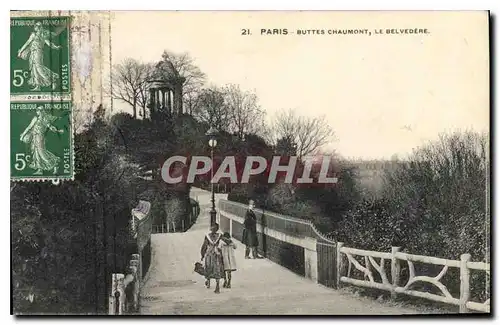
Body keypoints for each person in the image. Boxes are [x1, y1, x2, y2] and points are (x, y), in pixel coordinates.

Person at [17, 22, 61, 91]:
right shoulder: (34, 35)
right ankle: (38, 86)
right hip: (33, 53)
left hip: (38, 52)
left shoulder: (42, 35)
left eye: (36, 26)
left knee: (39, 68)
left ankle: (52, 81)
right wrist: (21, 51)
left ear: (39, 27)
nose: (35, 27)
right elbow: (27, 43)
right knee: (34, 69)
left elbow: (49, 43)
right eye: (35, 26)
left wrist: (56, 47)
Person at [20, 107, 64, 175]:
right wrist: (23, 135)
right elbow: (29, 127)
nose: (37, 112)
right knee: (36, 153)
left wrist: (57, 130)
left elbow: (50, 127)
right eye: (37, 111)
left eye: (39, 111)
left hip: (40, 137)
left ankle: (55, 163)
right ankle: (40, 170)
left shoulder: (45, 119)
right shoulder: (35, 119)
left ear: (42, 111)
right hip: (34, 137)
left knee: (41, 152)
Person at [200, 223, 224, 293]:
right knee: (217, 269)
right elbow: (227, 241)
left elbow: (204, 246)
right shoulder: (219, 236)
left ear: (211, 228)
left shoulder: (207, 236)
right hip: (217, 254)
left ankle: (208, 280)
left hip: (209, 254)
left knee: (208, 267)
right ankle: (217, 286)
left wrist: (202, 255)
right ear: (217, 229)